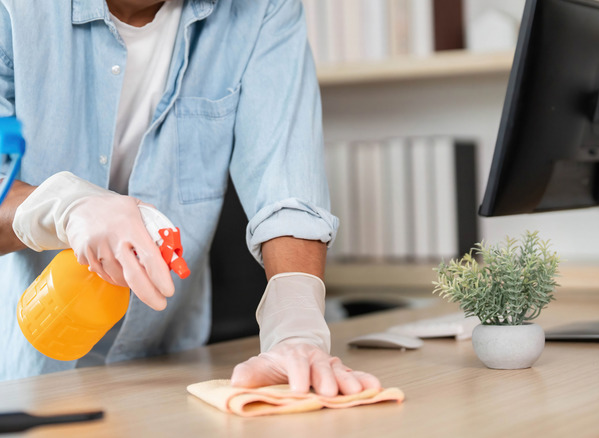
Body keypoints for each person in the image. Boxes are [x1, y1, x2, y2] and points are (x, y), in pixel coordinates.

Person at [0, 0, 381, 396]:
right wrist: (63, 206)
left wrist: (296, 329)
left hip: (168, 370)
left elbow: (286, 182)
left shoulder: (262, 8)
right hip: (25, 376)